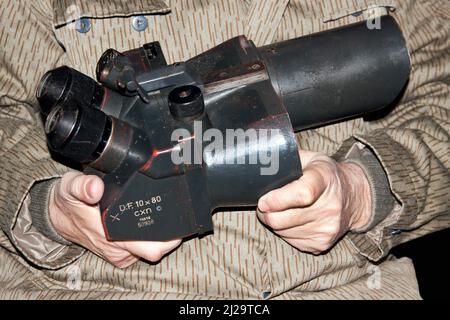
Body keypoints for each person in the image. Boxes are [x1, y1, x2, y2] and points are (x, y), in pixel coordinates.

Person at [0, 0, 448, 299]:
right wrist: (47, 207)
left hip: (341, 284)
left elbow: (441, 89)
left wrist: (365, 188)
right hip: (100, 288)